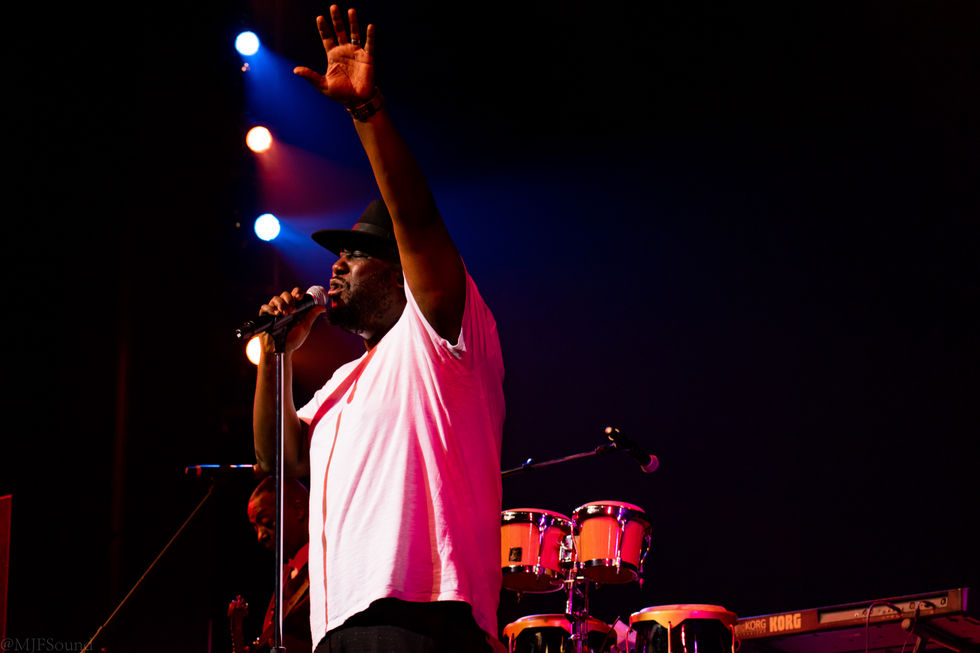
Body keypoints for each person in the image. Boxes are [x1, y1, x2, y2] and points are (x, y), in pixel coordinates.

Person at [251, 5, 506, 653]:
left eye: (356, 254)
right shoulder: (340, 384)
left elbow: (416, 220)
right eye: (337, 255)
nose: (336, 266)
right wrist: (276, 356)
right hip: (337, 627)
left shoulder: (437, 338)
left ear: (400, 273)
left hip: (420, 619)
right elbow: (281, 463)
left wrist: (367, 112)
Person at [243, 476, 313, 653]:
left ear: (298, 510)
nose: (260, 536)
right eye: (255, 527)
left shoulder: (323, 566)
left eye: (267, 522)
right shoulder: (286, 575)